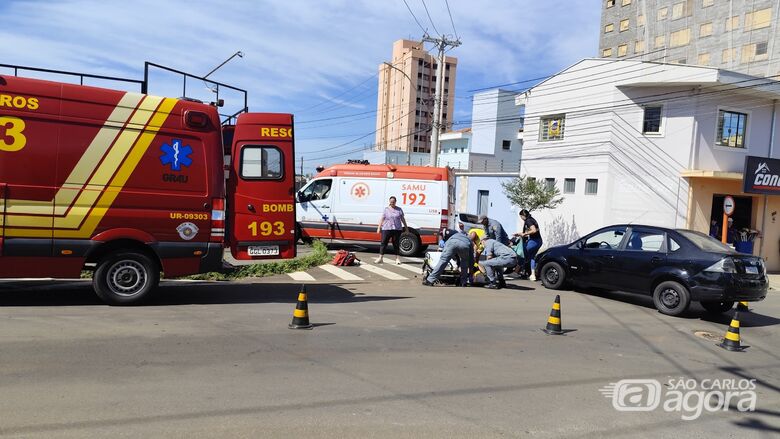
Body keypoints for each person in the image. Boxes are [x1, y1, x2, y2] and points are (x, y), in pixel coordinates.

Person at [375, 196, 408, 264]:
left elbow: (402, 219)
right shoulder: (386, 209)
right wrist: (379, 227)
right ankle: (380, 258)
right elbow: (382, 218)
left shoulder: (399, 209)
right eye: (391, 202)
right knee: (383, 243)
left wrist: (406, 228)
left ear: (395, 202)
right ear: (389, 202)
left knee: (396, 244)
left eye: (393, 202)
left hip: (396, 229)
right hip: (386, 228)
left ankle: (397, 259)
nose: (392, 203)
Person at [514, 209, 543, 281]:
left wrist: (524, 234)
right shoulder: (532, 219)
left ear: (523, 215)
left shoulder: (528, 221)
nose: (521, 218)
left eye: (521, 217)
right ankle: (532, 274)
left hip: (533, 241)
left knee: (523, 255)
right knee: (532, 257)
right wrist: (520, 233)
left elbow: (533, 230)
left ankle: (518, 272)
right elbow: (532, 231)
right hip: (539, 241)